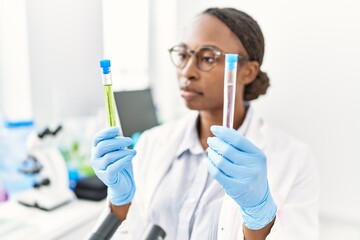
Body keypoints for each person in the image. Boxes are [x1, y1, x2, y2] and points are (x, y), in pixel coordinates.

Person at [90, 7, 319, 240]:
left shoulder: (294, 159)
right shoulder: (152, 142)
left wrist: (260, 215)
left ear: (247, 72)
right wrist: (120, 203)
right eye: (183, 55)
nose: (187, 72)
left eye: (208, 58)